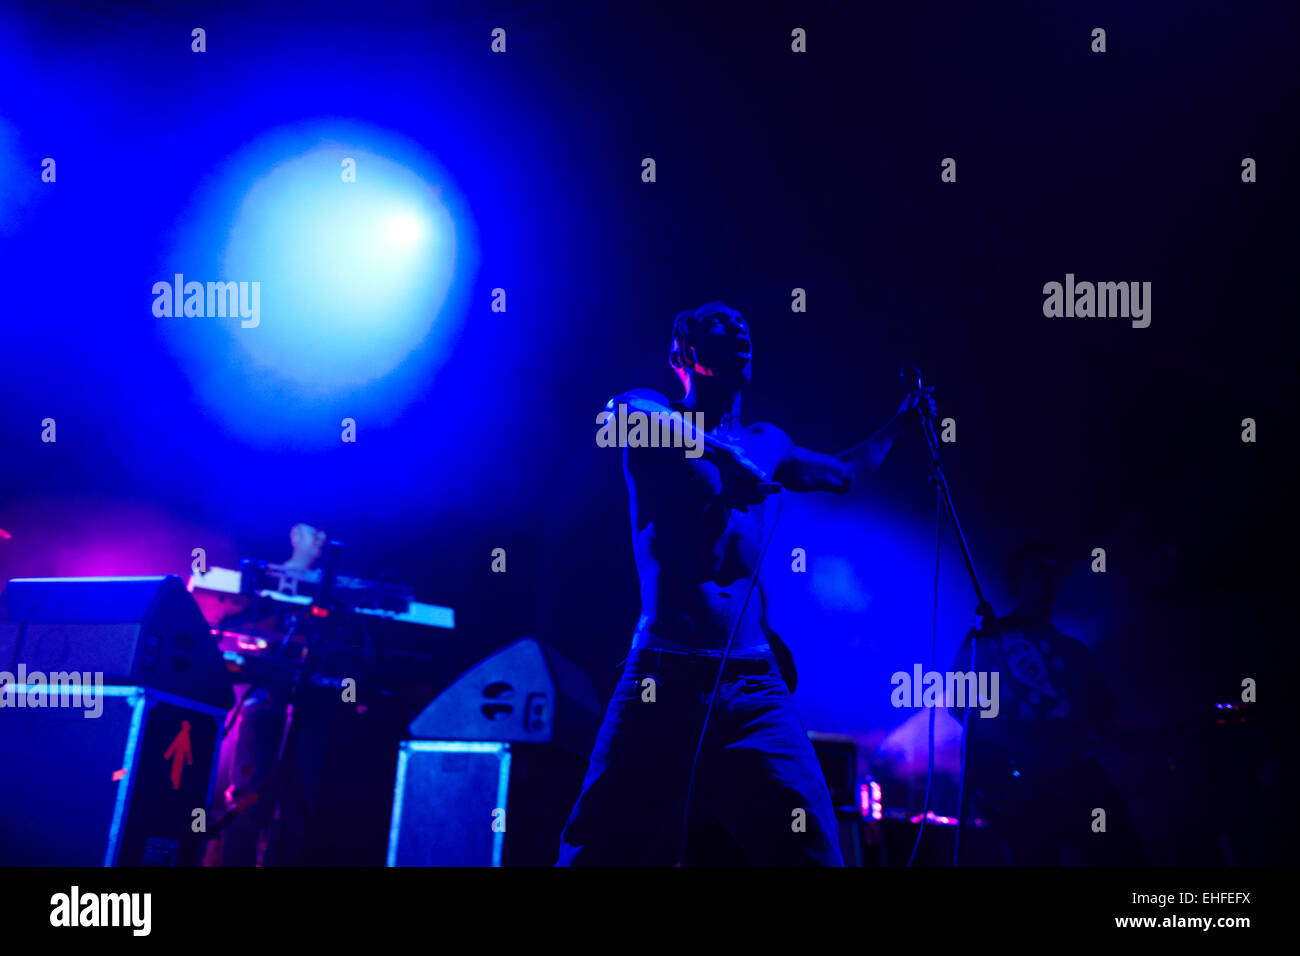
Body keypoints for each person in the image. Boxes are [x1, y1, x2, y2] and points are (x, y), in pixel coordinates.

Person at [557, 301, 933, 865]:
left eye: (742, 327)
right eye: (717, 325)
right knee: (595, 853)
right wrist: (720, 454)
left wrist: (904, 422)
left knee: (814, 853)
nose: (737, 330)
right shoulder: (656, 416)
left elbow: (844, 472)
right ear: (681, 354)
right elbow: (617, 414)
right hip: (661, 678)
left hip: (756, 689)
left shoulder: (768, 440)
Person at [950, 541, 1144, 865]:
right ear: (1017, 583)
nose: (1050, 575)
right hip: (1018, 788)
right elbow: (961, 704)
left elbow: (1107, 723)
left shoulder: (1075, 651)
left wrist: (1165, 737)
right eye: (1039, 568)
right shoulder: (985, 638)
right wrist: (1024, 749)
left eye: (1054, 569)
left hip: (1077, 779)